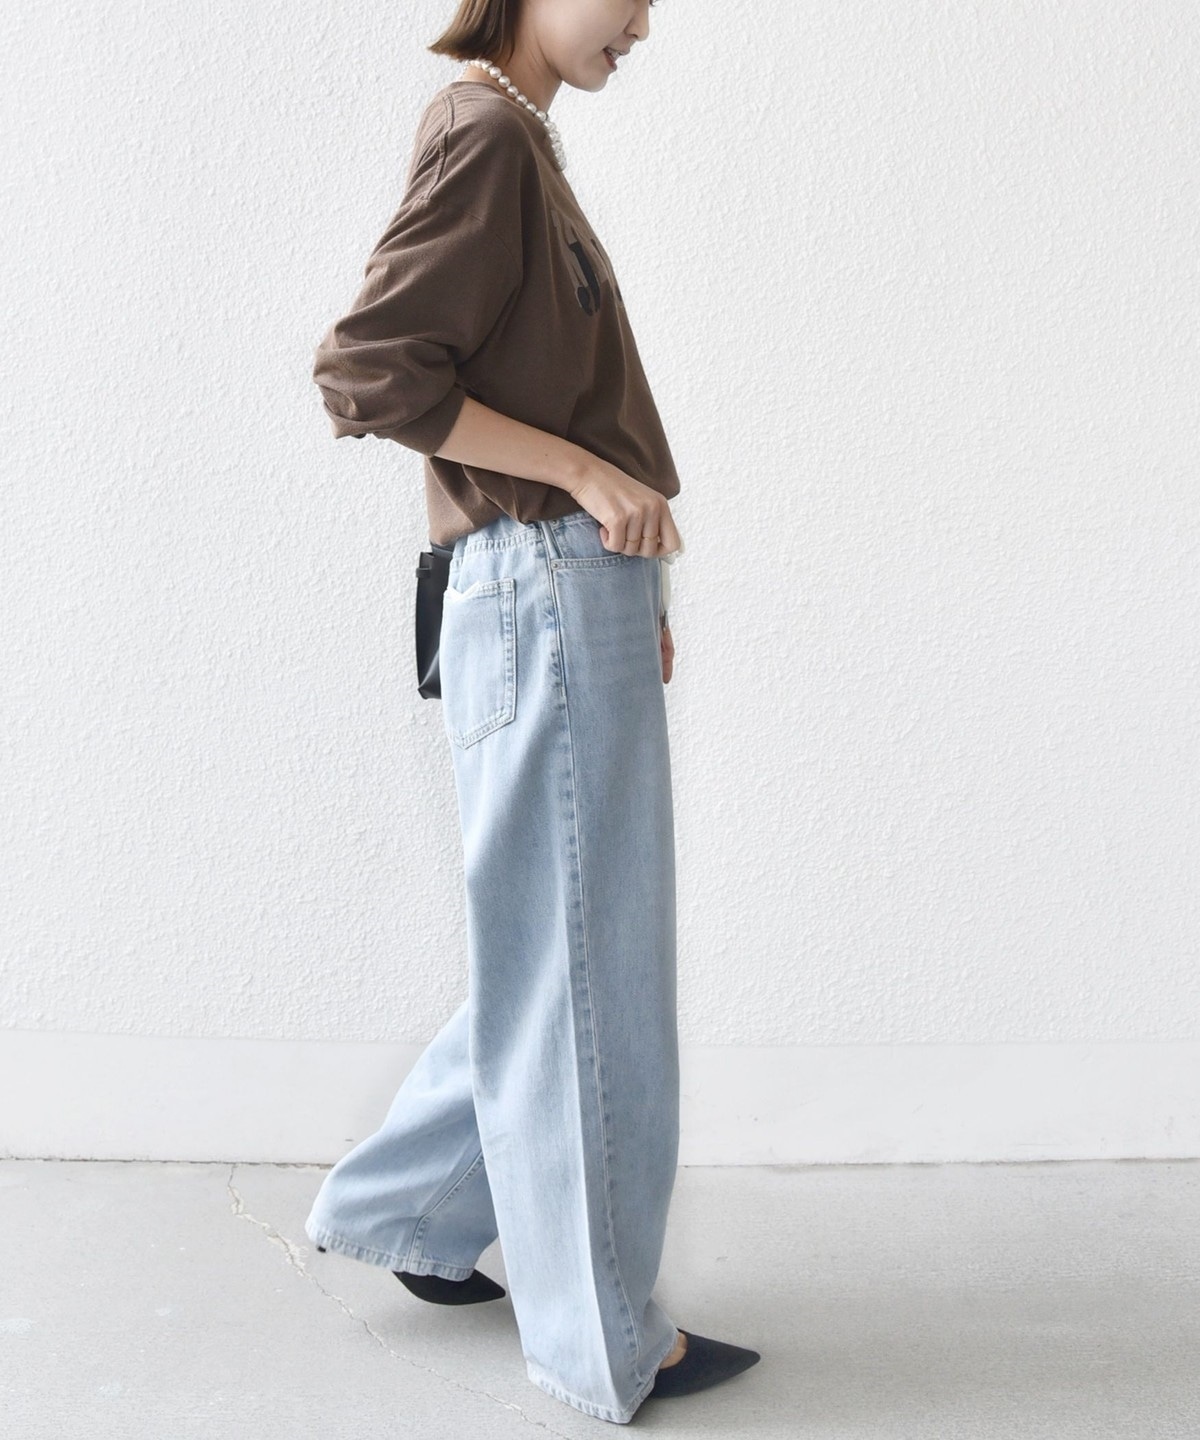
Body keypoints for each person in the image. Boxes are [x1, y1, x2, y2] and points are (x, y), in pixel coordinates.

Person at [302, 0, 760, 1423]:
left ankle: (407, 1210)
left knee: (560, 953)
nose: (645, 21)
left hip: (570, 588)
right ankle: (602, 1339)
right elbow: (369, 370)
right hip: (544, 578)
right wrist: (583, 478)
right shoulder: (488, 134)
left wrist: (631, 573)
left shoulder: (519, 141)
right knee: (587, 975)